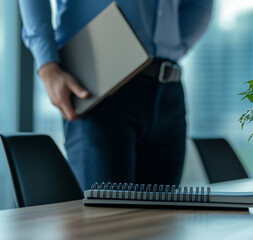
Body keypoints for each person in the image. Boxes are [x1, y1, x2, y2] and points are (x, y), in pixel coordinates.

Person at [19, 0, 213, 190]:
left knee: (163, 218)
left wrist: (175, 44)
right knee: (100, 218)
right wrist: (47, 65)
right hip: (99, 83)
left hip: (168, 89)